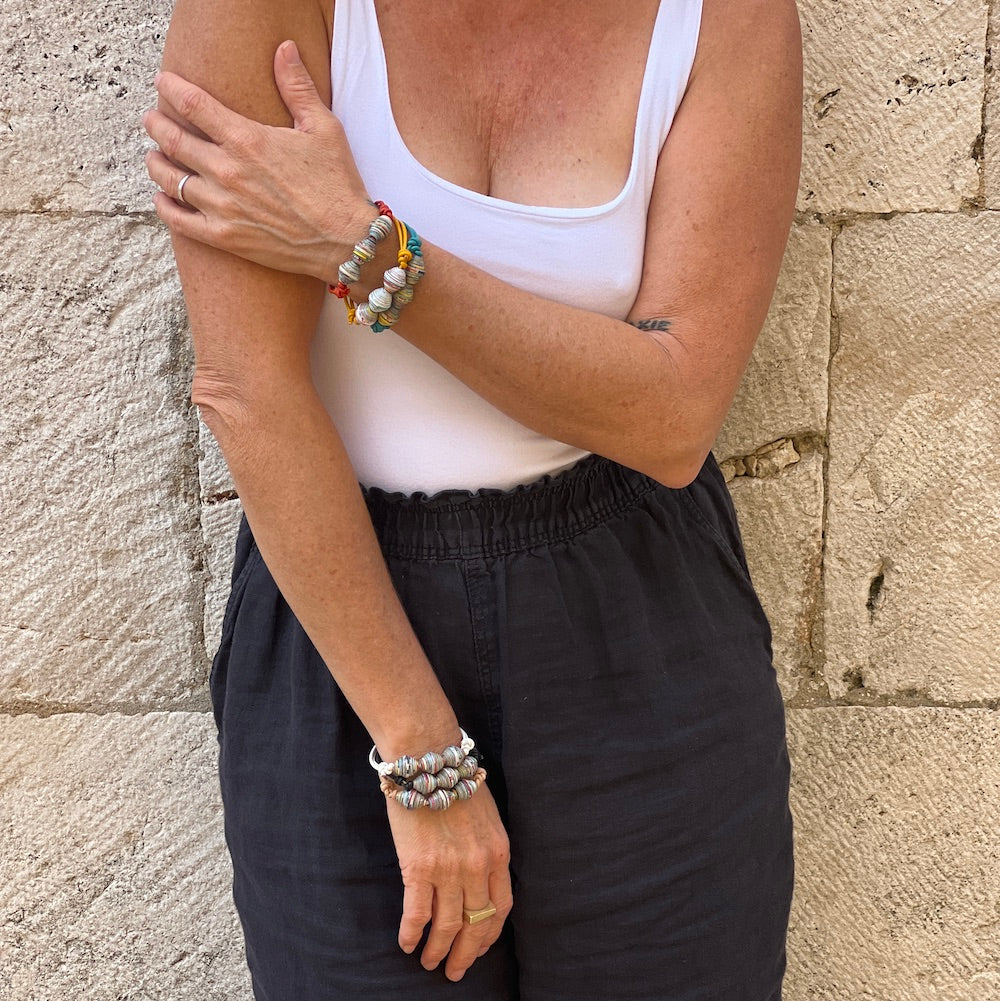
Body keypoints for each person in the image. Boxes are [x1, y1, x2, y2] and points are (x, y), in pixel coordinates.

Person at [142, 0, 802, 997]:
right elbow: (247, 391)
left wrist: (361, 250)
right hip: (342, 616)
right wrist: (419, 755)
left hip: (634, 609)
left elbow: (671, 416)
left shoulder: (721, 17)